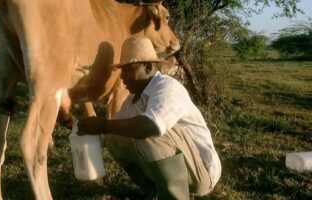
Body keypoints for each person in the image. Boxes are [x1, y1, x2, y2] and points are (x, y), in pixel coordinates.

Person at [78, 36, 221, 200]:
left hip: (202, 173)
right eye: (122, 71)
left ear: (147, 67)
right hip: (183, 172)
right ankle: (154, 190)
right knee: (114, 137)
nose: (122, 77)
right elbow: (108, 132)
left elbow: (150, 126)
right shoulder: (133, 101)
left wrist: (103, 125)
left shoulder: (167, 87)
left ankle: (175, 197)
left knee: (149, 130)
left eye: (128, 70)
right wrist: (85, 129)